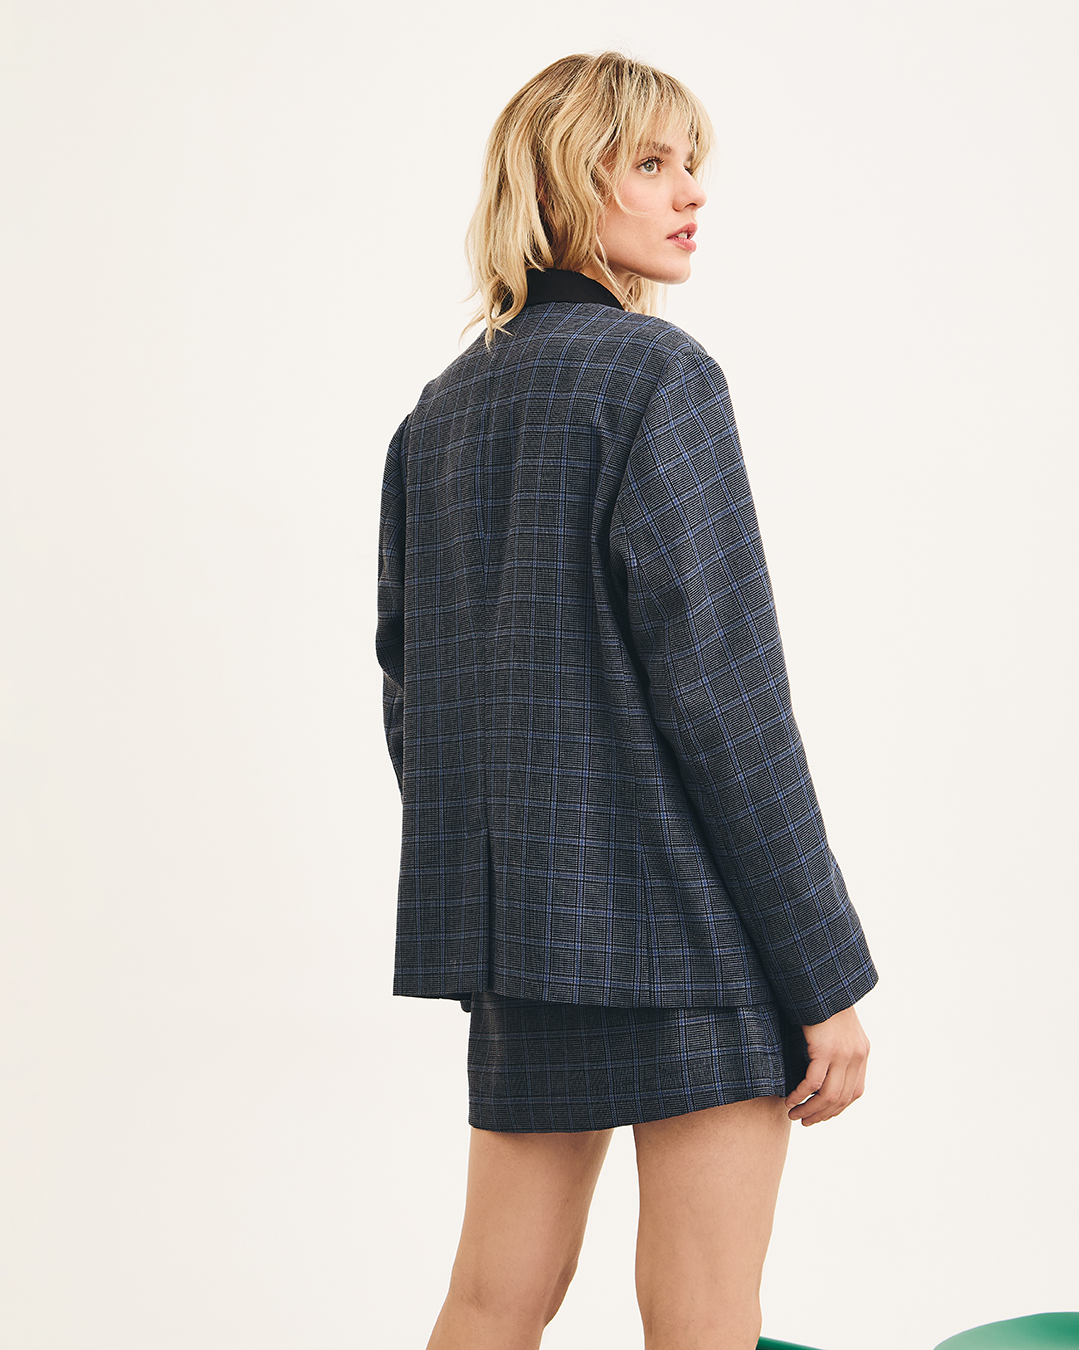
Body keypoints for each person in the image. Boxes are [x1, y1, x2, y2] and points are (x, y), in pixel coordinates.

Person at [376, 49, 878, 1350]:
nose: (691, 192)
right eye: (651, 164)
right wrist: (822, 973)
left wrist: (523, 890)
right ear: (560, 184)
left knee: (493, 1299)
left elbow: (414, 702)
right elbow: (727, 700)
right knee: (704, 1314)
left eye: (691, 163)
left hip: (531, 942)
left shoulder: (437, 416)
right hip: (694, 942)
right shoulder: (658, 377)